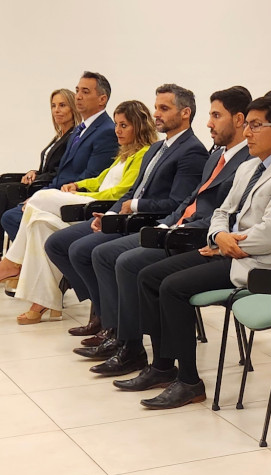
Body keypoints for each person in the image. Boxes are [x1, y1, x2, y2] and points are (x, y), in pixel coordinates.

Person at [131, 96, 271, 409]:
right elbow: (222, 211)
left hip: (259, 264)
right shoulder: (249, 167)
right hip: (229, 251)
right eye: (248, 125)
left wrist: (225, 244)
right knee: (149, 276)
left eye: (256, 126)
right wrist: (218, 235)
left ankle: (189, 381)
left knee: (172, 288)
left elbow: (269, 236)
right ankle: (162, 367)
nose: (247, 133)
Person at [84, 86, 253, 379]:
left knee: (130, 263)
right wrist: (166, 225)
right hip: (179, 228)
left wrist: (178, 229)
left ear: (238, 119)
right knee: (107, 254)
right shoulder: (217, 156)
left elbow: (226, 215)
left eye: (216, 116)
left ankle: (139, 350)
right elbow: (189, 200)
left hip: (199, 237)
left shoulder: (247, 162)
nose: (208, 123)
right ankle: (130, 343)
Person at [45, 85, 209, 343]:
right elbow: (132, 191)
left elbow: (176, 204)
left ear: (185, 113)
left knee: (90, 251)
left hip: (149, 222)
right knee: (57, 243)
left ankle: (114, 328)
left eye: (164, 108)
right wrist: (110, 215)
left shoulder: (192, 150)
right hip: (126, 218)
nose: (157, 114)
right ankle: (105, 313)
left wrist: (133, 207)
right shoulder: (157, 148)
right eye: (156, 107)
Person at [0, 101, 156, 324]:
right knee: (39, 222)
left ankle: (13, 263)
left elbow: (122, 191)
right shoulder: (125, 153)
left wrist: (81, 194)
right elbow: (100, 179)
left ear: (139, 127)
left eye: (124, 125)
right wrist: (78, 185)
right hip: (92, 199)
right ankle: (44, 301)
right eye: (117, 125)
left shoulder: (143, 154)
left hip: (100, 207)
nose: (117, 131)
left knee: (40, 198)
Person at [1, 72, 118, 241]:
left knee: (13, 217)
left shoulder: (106, 131)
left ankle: (40, 257)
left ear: (102, 99)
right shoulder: (79, 131)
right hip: (58, 192)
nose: (78, 96)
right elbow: (61, 173)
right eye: (77, 91)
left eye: (85, 92)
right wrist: (41, 195)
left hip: (75, 201)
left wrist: (46, 198)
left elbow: (91, 178)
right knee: (11, 214)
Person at [0, 89, 80, 223]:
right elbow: (48, 166)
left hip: (48, 186)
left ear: (73, 108)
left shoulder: (74, 138)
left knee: (3, 191)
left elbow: (60, 171)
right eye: (53, 106)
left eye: (62, 105)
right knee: (3, 181)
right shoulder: (58, 137)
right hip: (41, 180)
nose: (56, 110)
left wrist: (38, 177)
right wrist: (34, 172)